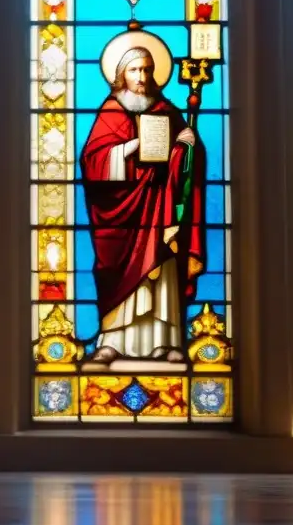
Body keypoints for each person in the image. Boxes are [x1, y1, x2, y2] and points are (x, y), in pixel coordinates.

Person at [80, 32, 205, 367]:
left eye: (147, 70)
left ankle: (166, 342)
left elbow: (188, 167)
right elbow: (92, 161)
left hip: (160, 210)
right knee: (118, 271)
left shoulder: (167, 110)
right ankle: (112, 342)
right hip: (122, 218)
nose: (142, 77)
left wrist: (187, 144)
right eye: (135, 70)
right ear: (121, 74)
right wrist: (129, 149)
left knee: (162, 270)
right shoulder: (111, 111)